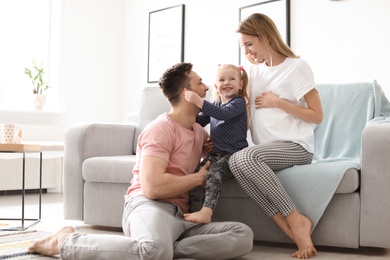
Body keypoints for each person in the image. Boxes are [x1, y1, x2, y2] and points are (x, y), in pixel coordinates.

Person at [27, 62, 253, 260]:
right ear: (187, 93)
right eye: (201, 82)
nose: (206, 88)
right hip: (150, 205)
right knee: (154, 250)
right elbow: (153, 188)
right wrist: (197, 179)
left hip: (183, 215)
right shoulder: (160, 128)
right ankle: (66, 241)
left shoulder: (199, 132)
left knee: (242, 235)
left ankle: (162, 248)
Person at [228, 13, 323, 259]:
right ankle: (288, 228)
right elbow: (246, 114)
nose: (247, 52)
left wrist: (278, 102)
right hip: (264, 150)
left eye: (249, 44)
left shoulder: (297, 67)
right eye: (243, 47)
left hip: (296, 147)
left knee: (246, 159)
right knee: (235, 161)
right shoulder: (253, 72)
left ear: (266, 36)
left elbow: (317, 115)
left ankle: (296, 219)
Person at [183, 64, 249, 224]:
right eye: (222, 79)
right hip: (216, 154)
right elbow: (200, 120)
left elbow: (223, 115)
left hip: (235, 154)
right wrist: (184, 111)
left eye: (232, 79)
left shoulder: (239, 103)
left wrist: (198, 101)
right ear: (216, 86)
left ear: (240, 85)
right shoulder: (216, 104)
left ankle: (207, 211)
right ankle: (192, 214)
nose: (226, 82)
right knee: (196, 174)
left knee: (214, 173)